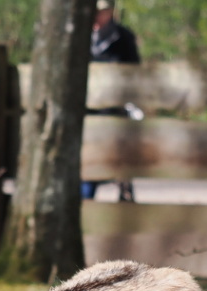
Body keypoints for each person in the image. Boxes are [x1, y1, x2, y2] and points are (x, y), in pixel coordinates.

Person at [82, 0, 141, 202]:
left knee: (115, 160)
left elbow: (135, 74)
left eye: (102, 11)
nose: (97, 16)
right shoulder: (78, 36)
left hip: (112, 111)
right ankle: (86, 200)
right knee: (88, 163)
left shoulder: (123, 38)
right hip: (85, 112)